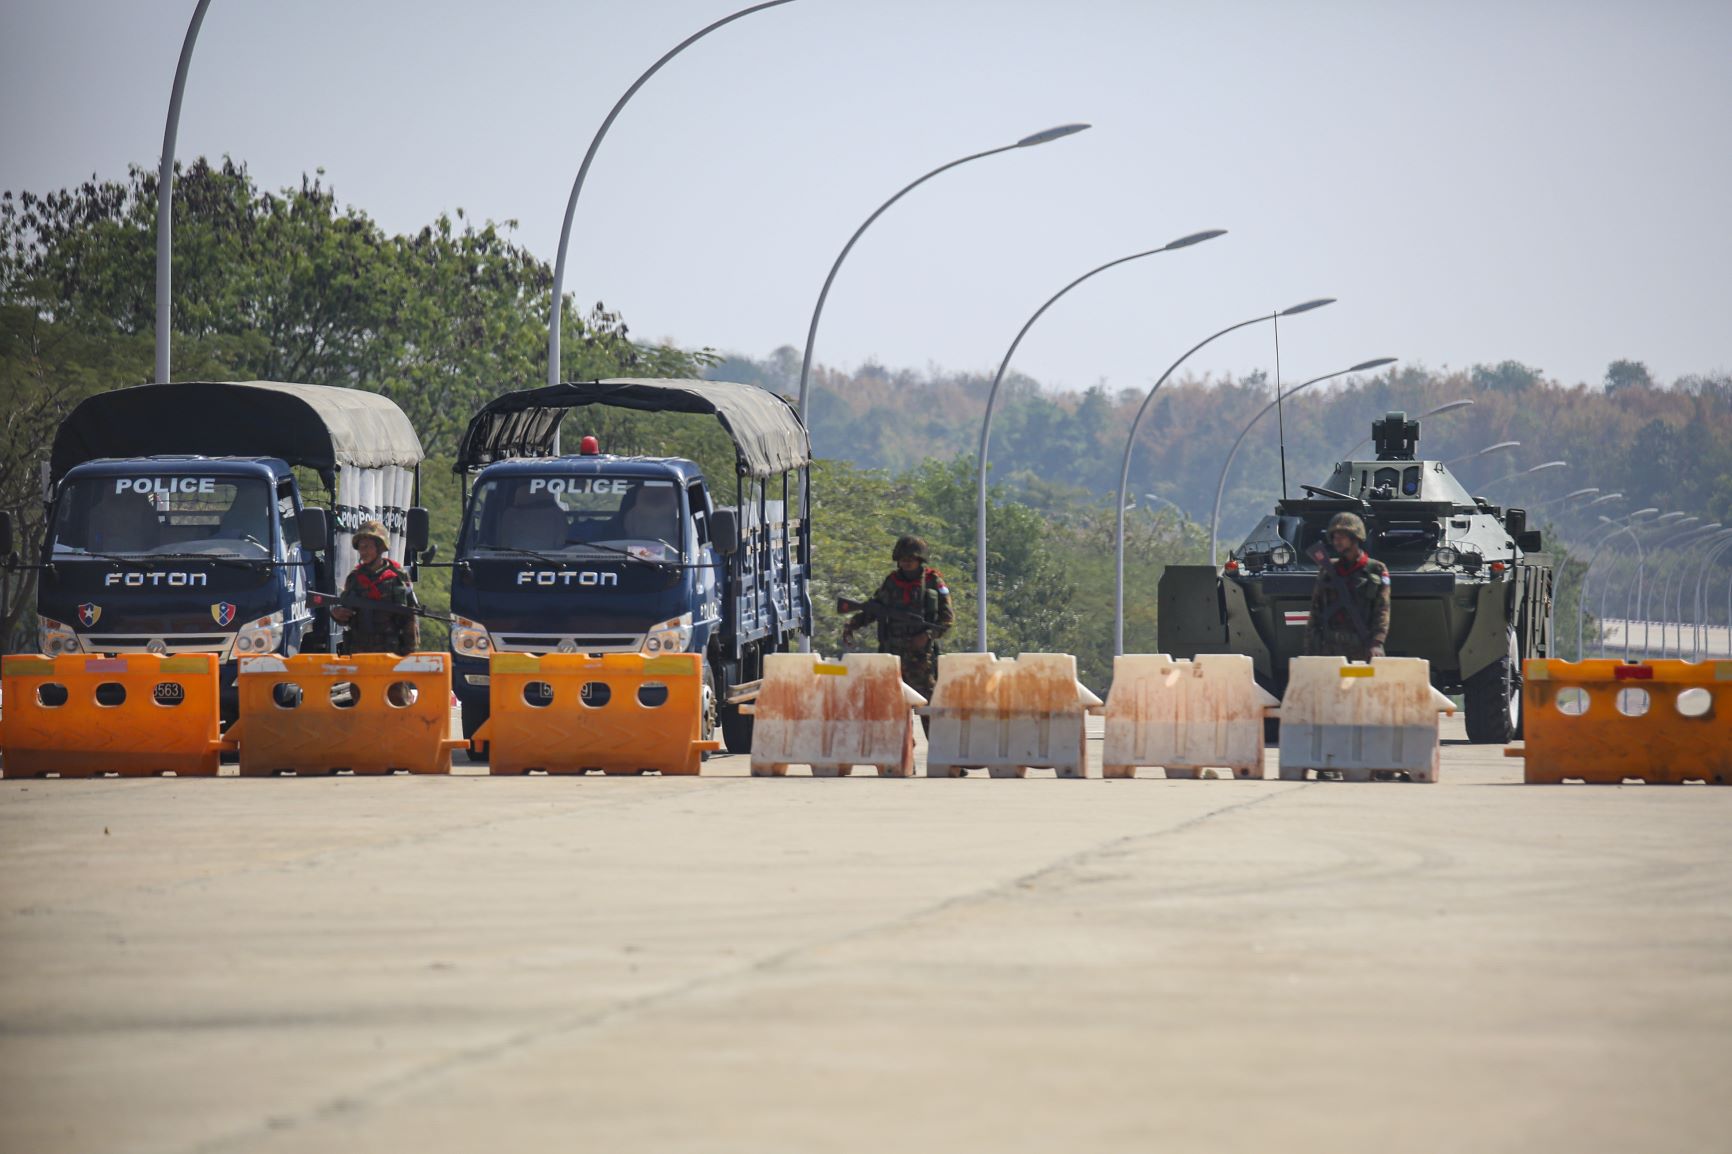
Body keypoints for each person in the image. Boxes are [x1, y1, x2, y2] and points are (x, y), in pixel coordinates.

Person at [843, 535, 954, 707]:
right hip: (891, 653)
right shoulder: (892, 582)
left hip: (920, 657)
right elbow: (874, 608)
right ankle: (903, 735)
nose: (907, 563)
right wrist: (853, 624)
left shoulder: (933, 581)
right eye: (903, 559)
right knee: (891, 702)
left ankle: (934, 735)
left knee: (928, 702)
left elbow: (946, 619)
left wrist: (927, 635)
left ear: (920, 559)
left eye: (911, 559)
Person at [1303, 512, 1390, 661]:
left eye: (1341, 537)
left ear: (1355, 537)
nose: (1336, 542)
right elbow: (1316, 610)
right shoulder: (1328, 569)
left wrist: (1377, 642)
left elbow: (1382, 609)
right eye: (1334, 538)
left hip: (1362, 647)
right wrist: (1311, 648)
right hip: (1329, 648)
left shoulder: (1376, 569)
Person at [331, 520, 419, 656]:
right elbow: (346, 615)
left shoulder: (397, 576)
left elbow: (409, 618)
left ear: (380, 547)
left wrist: (409, 655)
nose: (363, 551)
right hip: (359, 654)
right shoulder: (354, 578)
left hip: (390, 654)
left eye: (367, 546)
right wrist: (337, 614)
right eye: (360, 547)